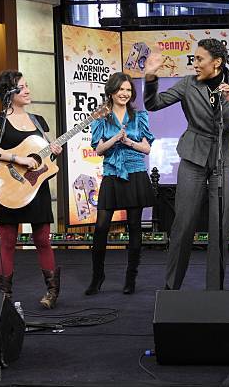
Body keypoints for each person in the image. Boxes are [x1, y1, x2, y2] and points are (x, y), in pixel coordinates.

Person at [144, 38, 229, 290]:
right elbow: (153, 104)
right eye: (194, 58)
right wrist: (151, 79)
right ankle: (171, 289)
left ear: (217, 62)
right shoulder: (188, 84)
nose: (194, 63)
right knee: (183, 223)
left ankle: (214, 293)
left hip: (224, 159)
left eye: (199, 59)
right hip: (193, 157)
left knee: (219, 229)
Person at [0, 70, 63, 309]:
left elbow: (43, 158)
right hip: (10, 189)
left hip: (36, 188)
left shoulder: (38, 121)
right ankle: (4, 295)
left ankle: (52, 291)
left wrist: (54, 151)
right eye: (22, 87)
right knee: (7, 241)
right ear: (9, 93)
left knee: (42, 240)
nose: (28, 91)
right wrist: (18, 158)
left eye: (27, 86)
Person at [85, 72, 156, 295]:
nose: (125, 93)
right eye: (121, 89)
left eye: (128, 90)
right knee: (101, 227)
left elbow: (147, 148)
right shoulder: (100, 117)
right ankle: (97, 276)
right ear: (111, 91)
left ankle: (130, 277)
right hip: (112, 174)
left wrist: (129, 142)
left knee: (134, 227)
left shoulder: (140, 116)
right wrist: (115, 139)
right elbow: (98, 149)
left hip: (135, 173)